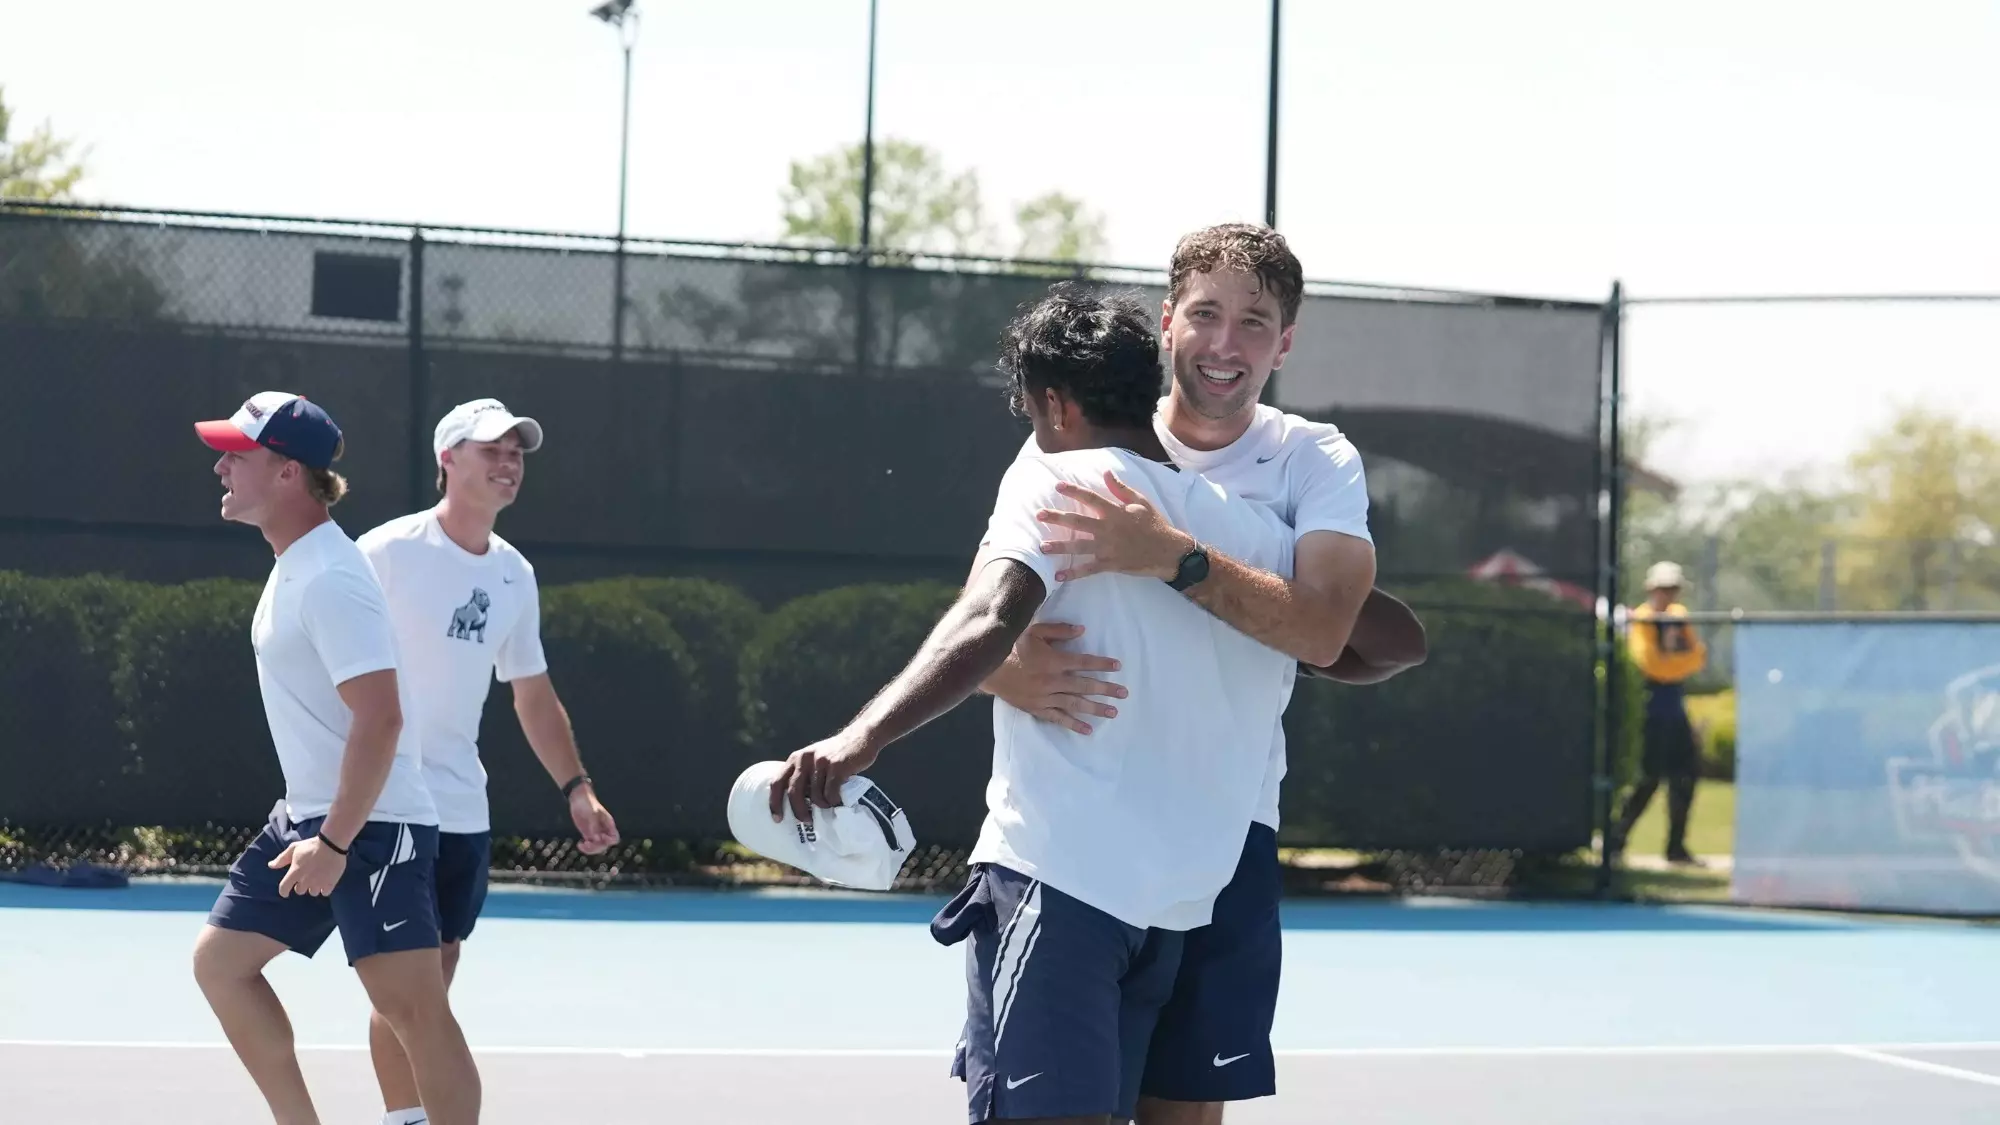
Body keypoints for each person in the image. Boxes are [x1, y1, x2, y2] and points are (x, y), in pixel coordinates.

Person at [769, 284, 1305, 1125]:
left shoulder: (1058, 478)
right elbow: (1353, 636)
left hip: (1060, 885)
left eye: (1029, 411)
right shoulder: (1250, 539)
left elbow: (989, 615)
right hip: (1175, 907)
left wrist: (860, 737)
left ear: (1057, 404)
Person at [979, 223, 1427, 1124]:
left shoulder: (1314, 459)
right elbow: (986, 607)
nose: (1227, 346)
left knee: (1184, 1108)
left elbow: (1325, 628)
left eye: (1255, 323)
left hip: (1226, 833)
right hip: (1075, 840)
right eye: (1207, 314)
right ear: (1167, 320)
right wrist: (1007, 670)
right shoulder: (1074, 433)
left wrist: (1172, 556)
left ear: (1286, 343)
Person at [190, 391, 482, 1125]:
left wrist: (334, 842)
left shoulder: (332, 576)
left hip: (371, 827)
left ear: (289, 472)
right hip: (311, 819)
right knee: (220, 964)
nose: (221, 466)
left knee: (412, 1008)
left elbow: (380, 717)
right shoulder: (295, 564)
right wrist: (312, 830)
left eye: (238, 454)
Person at [355, 398, 620, 1125]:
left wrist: (577, 787)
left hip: (462, 811)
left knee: (434, 975)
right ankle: (407, 1118)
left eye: (516, 454)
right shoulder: (384, 553)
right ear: (447, 460)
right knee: (407, 990)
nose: (507, 464)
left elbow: (532, 695)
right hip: (387, 804)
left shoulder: (514, 574)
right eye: (490, 451)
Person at [1607, 560, 1709, 865]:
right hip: (1652, 708)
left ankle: (1676, 847)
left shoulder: (1679, 617)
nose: (1669, 595)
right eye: (1664, 589)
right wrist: (1674, 662)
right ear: (1652, 589)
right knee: (1648, 778)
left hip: (1676, 708)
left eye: (1673, 589)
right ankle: (1616, 841)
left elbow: (1696, 659)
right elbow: (1651, 665)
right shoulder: (1643, 620)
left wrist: (1673, 662)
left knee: (1685, 777)